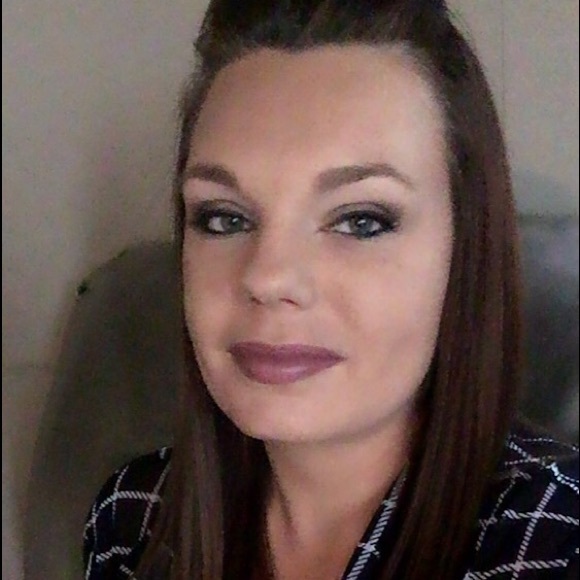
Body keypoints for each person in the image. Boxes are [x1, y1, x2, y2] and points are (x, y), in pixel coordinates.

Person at [82, 1, 579, 578]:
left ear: (464, 249)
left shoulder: (554, 536)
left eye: (360, 221)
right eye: (224, 218)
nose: (267, 277)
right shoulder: (133, 521)